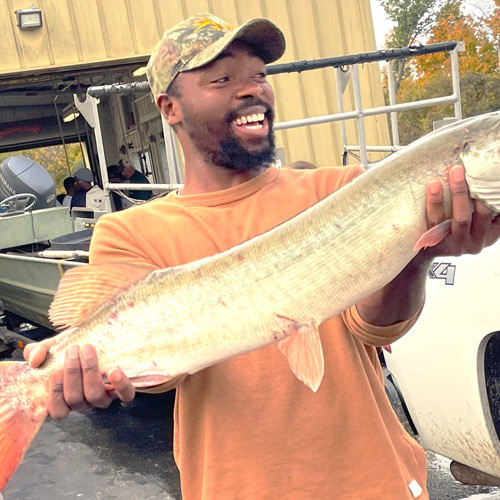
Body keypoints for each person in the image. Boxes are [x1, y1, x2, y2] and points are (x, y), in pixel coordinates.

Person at [25, 13, 500, 500]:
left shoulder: (337, 190)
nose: (251, 89)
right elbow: (156, 381)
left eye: (259, 75)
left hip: (376, 483)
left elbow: (375, 329)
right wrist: (84, 376)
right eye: (224, 79)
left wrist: (419, 254)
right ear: (170, 107)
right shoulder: (130, 232)